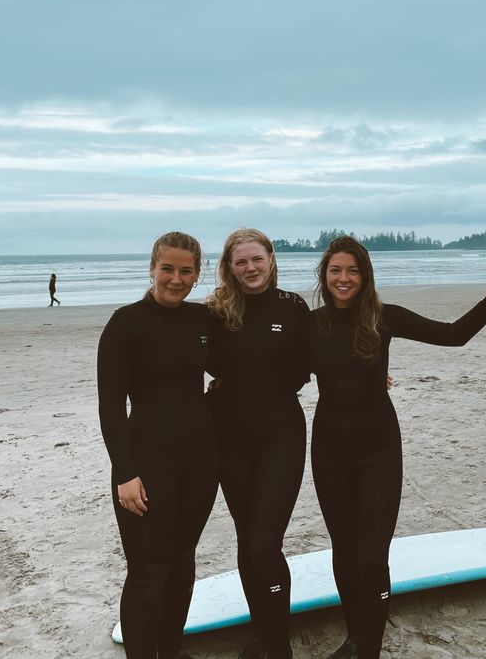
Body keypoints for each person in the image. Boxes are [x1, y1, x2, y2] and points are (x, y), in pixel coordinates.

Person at [303, 237, 486, 659]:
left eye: (352, 270)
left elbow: (454, 336)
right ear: (325, 275)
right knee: (344, 548)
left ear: (365, 275)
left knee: (372, 551)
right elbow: (277, 369)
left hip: (378, 448)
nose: (344, 278)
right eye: (336, 270)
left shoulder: (385, 317)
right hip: (329, 447)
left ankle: (368, 646)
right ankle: (355, 637)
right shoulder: (311, 325)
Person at [97, 232, 219, 659]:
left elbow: (254, 360)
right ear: (152, 268)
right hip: (146, 463)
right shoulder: (126, 323)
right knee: (149, 570)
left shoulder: (204, 319)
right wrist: (125, 472)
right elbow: (110, 404)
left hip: (202, 462)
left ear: (197, 274)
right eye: (167, 268)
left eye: (186, 271)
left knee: (183, 561)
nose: (175, 278)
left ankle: (172, 648)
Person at [207, 229, 310, 659]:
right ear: (229, 267)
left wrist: (369, 375)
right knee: (247, 537)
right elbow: (177, 357)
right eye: (240, 261)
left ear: (271, 258)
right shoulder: (215, 311)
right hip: (228, 436)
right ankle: (262, 631)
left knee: (265, 542)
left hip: (280, 434)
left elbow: (323, 354)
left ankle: (278, 643)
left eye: (256, 259)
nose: (250, 268)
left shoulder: (293, 307)